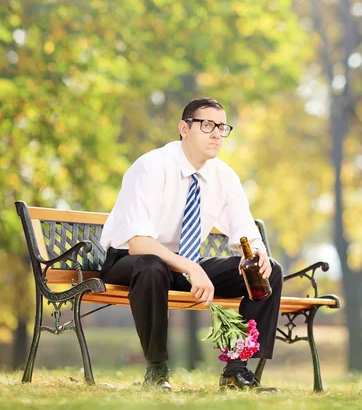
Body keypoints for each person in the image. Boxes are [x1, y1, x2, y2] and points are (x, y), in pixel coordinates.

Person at [100, 97, 283, 391]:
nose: (216, 133)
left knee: (269, 270)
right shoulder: (150, 167)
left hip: (183, 266)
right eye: (207, 124)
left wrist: (257, 252)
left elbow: (244, 231)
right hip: (130, 262)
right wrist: (191, 267)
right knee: (152, 265)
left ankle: (236, 370)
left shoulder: (224, 177)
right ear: (184, 128)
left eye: (222, 127)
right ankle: (157, 371)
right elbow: (138, 243)